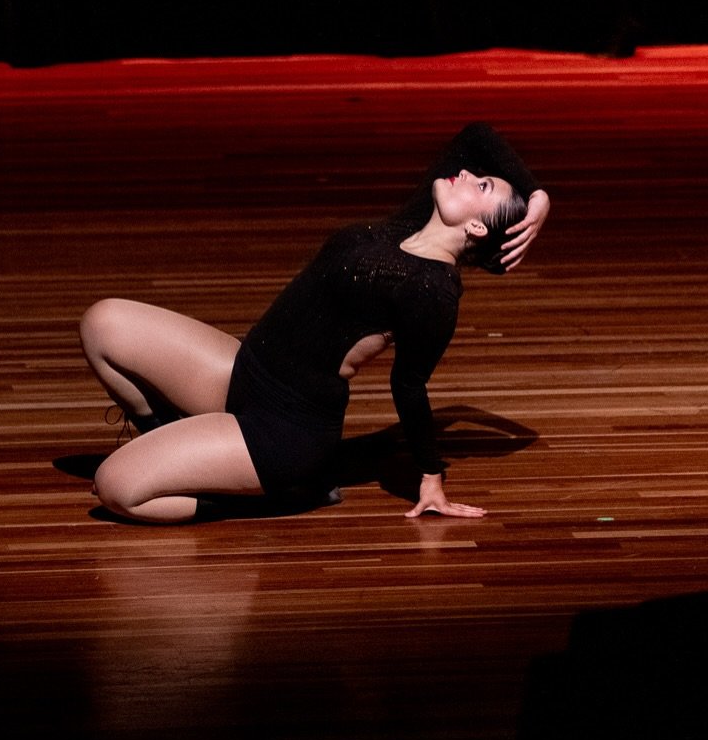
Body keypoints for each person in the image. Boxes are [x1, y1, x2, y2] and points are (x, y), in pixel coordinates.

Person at [80, 122, 549, 524]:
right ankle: (170, 438)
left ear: (477, 229)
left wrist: (431, 476)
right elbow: (476, 135)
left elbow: (410, 385)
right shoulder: (409, 224)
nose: (466, 171)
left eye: (483, 186)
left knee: (115, 488)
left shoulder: (433, 290)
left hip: (281, 431)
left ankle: (277, 494)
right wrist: (538, 196)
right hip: (244, 373)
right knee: (103, 324)